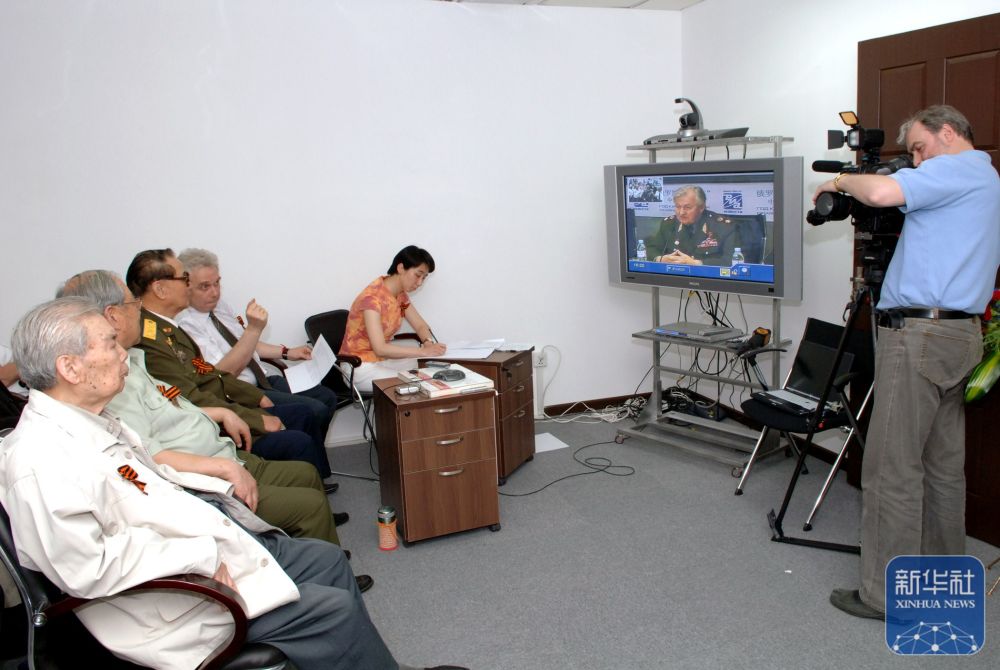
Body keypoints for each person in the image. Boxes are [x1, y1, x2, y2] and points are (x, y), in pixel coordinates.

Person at [0, 297, 467, 670]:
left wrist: (221, 490)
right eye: (109, 344)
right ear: (71, 368)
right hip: (172, 598)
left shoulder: (93, 423)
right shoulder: (39, 460)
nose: (123, 352)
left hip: (199, 549)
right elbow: (89, 568)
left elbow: (150, 481)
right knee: (332, 610)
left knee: (325, 561)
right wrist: (199, 555)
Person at [813, 105, 1000, 620]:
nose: (917, 161)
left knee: (892, 470)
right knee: (942, 469)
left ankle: (885, 596)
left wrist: (841, 180)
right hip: (959, 334)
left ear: (948, 132)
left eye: (919, 147)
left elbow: (878, 194)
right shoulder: (985, 177)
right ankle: (941, 582)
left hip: (920, 336)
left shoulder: (955, 169)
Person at [56, 270, 358, 560]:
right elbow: (192, 394)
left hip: (222, 427)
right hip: (204, 468)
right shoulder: (127, 364)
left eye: (216, 283)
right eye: (194, 282)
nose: (208, 290)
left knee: (310, 433)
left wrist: (242, 399)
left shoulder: (152, 344)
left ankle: (307, 550)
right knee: (305, 425)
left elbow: (195, 381)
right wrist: (246, 412)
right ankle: (308, 554)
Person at [125, 249, 337, 488]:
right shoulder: (153, 336)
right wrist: (255, 417)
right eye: (185, 279)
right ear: (160, 289)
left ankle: (315, 484)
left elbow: (206, 373)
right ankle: (304, 492)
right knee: (301, 435)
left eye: (217, 283)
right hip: (213, 418)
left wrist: (255, 395)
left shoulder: (168, 327)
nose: (189, 286)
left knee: (307, 411)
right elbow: (191, 396)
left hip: (234, 395)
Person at [175, 248, 337, 443]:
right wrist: (254, 328)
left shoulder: (220, 306)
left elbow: (245, 342)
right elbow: (222, 376)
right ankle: (304, 449)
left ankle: (311, 447)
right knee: (314, 409)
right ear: (185, 286)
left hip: (262, 378)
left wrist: (287, 352)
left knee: (327, 397)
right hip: (241, 392)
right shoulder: (184, 325)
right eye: (205, 286)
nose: (215, 292)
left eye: (217, 283)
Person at [339, 245, 447, 393]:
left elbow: (421, 326)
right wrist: (423, 351)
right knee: (417, 383)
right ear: (401, 268)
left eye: (424, 278)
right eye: (418, 275)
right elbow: (380, 349)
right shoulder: (371, 299)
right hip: (359, 366)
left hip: (380, 360)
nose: (420, 283)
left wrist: (428, 343)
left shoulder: (399, 295)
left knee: (425, 368)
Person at [644, 185, 738, 266]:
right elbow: (651, 249)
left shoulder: (723, 227)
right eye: (678, 207)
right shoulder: (669, 224)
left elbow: (733, 260)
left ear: (701, 207)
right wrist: (660, 259)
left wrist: (697, 263)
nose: (681, 212)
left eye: (687, 207)